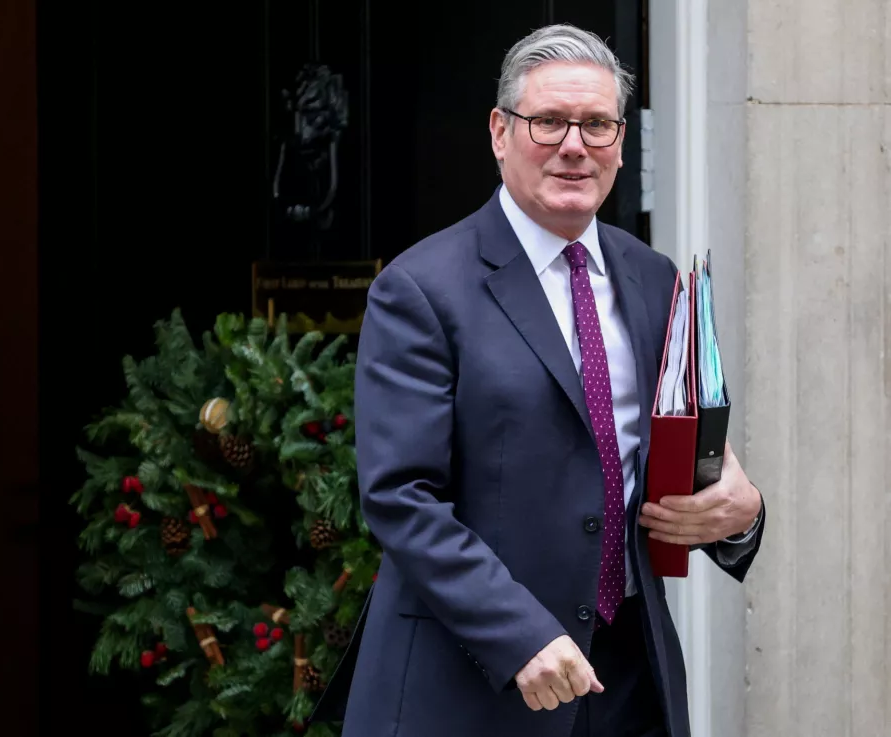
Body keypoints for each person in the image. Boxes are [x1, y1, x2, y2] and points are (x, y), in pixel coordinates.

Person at [315, 23, 765, 737]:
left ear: (622, 140)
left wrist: (739, 514)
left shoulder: (655, 281)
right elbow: (401, 497)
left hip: (628, 682)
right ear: (500, 132)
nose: (574, 145)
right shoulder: (420, 289)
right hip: (471, 687)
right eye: (549, 121)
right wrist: (519, 632)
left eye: (596, 124)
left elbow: (675, 461)